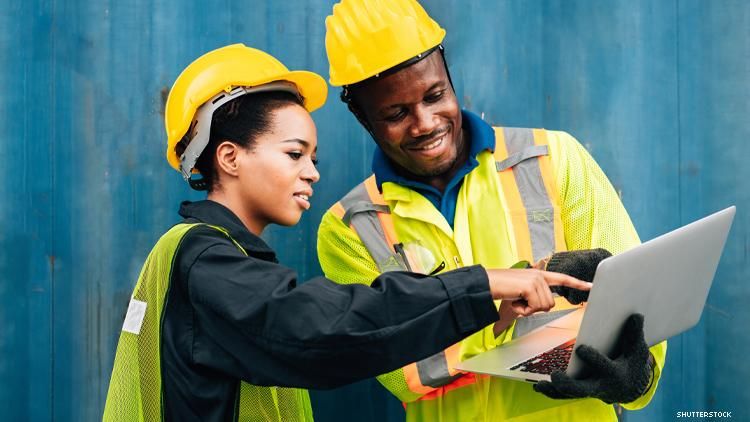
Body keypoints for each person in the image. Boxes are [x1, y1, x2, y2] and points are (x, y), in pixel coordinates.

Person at [102, 44, 591, 422]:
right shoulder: (203, 259)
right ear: (229, 158)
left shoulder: (213, 258)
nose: (312, 172)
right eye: (294, 154)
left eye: (313, 158)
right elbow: (321, 329)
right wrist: (481, 284)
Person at [316, 1, 668, 421]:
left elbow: (639, 295)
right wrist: (493, 314)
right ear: (362, 116)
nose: (426, 123)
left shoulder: (554, 158)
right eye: (396, 113)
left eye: (435, 95)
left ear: (449, 77)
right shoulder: (350, 228)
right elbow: (399, 373)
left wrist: (638, 373)